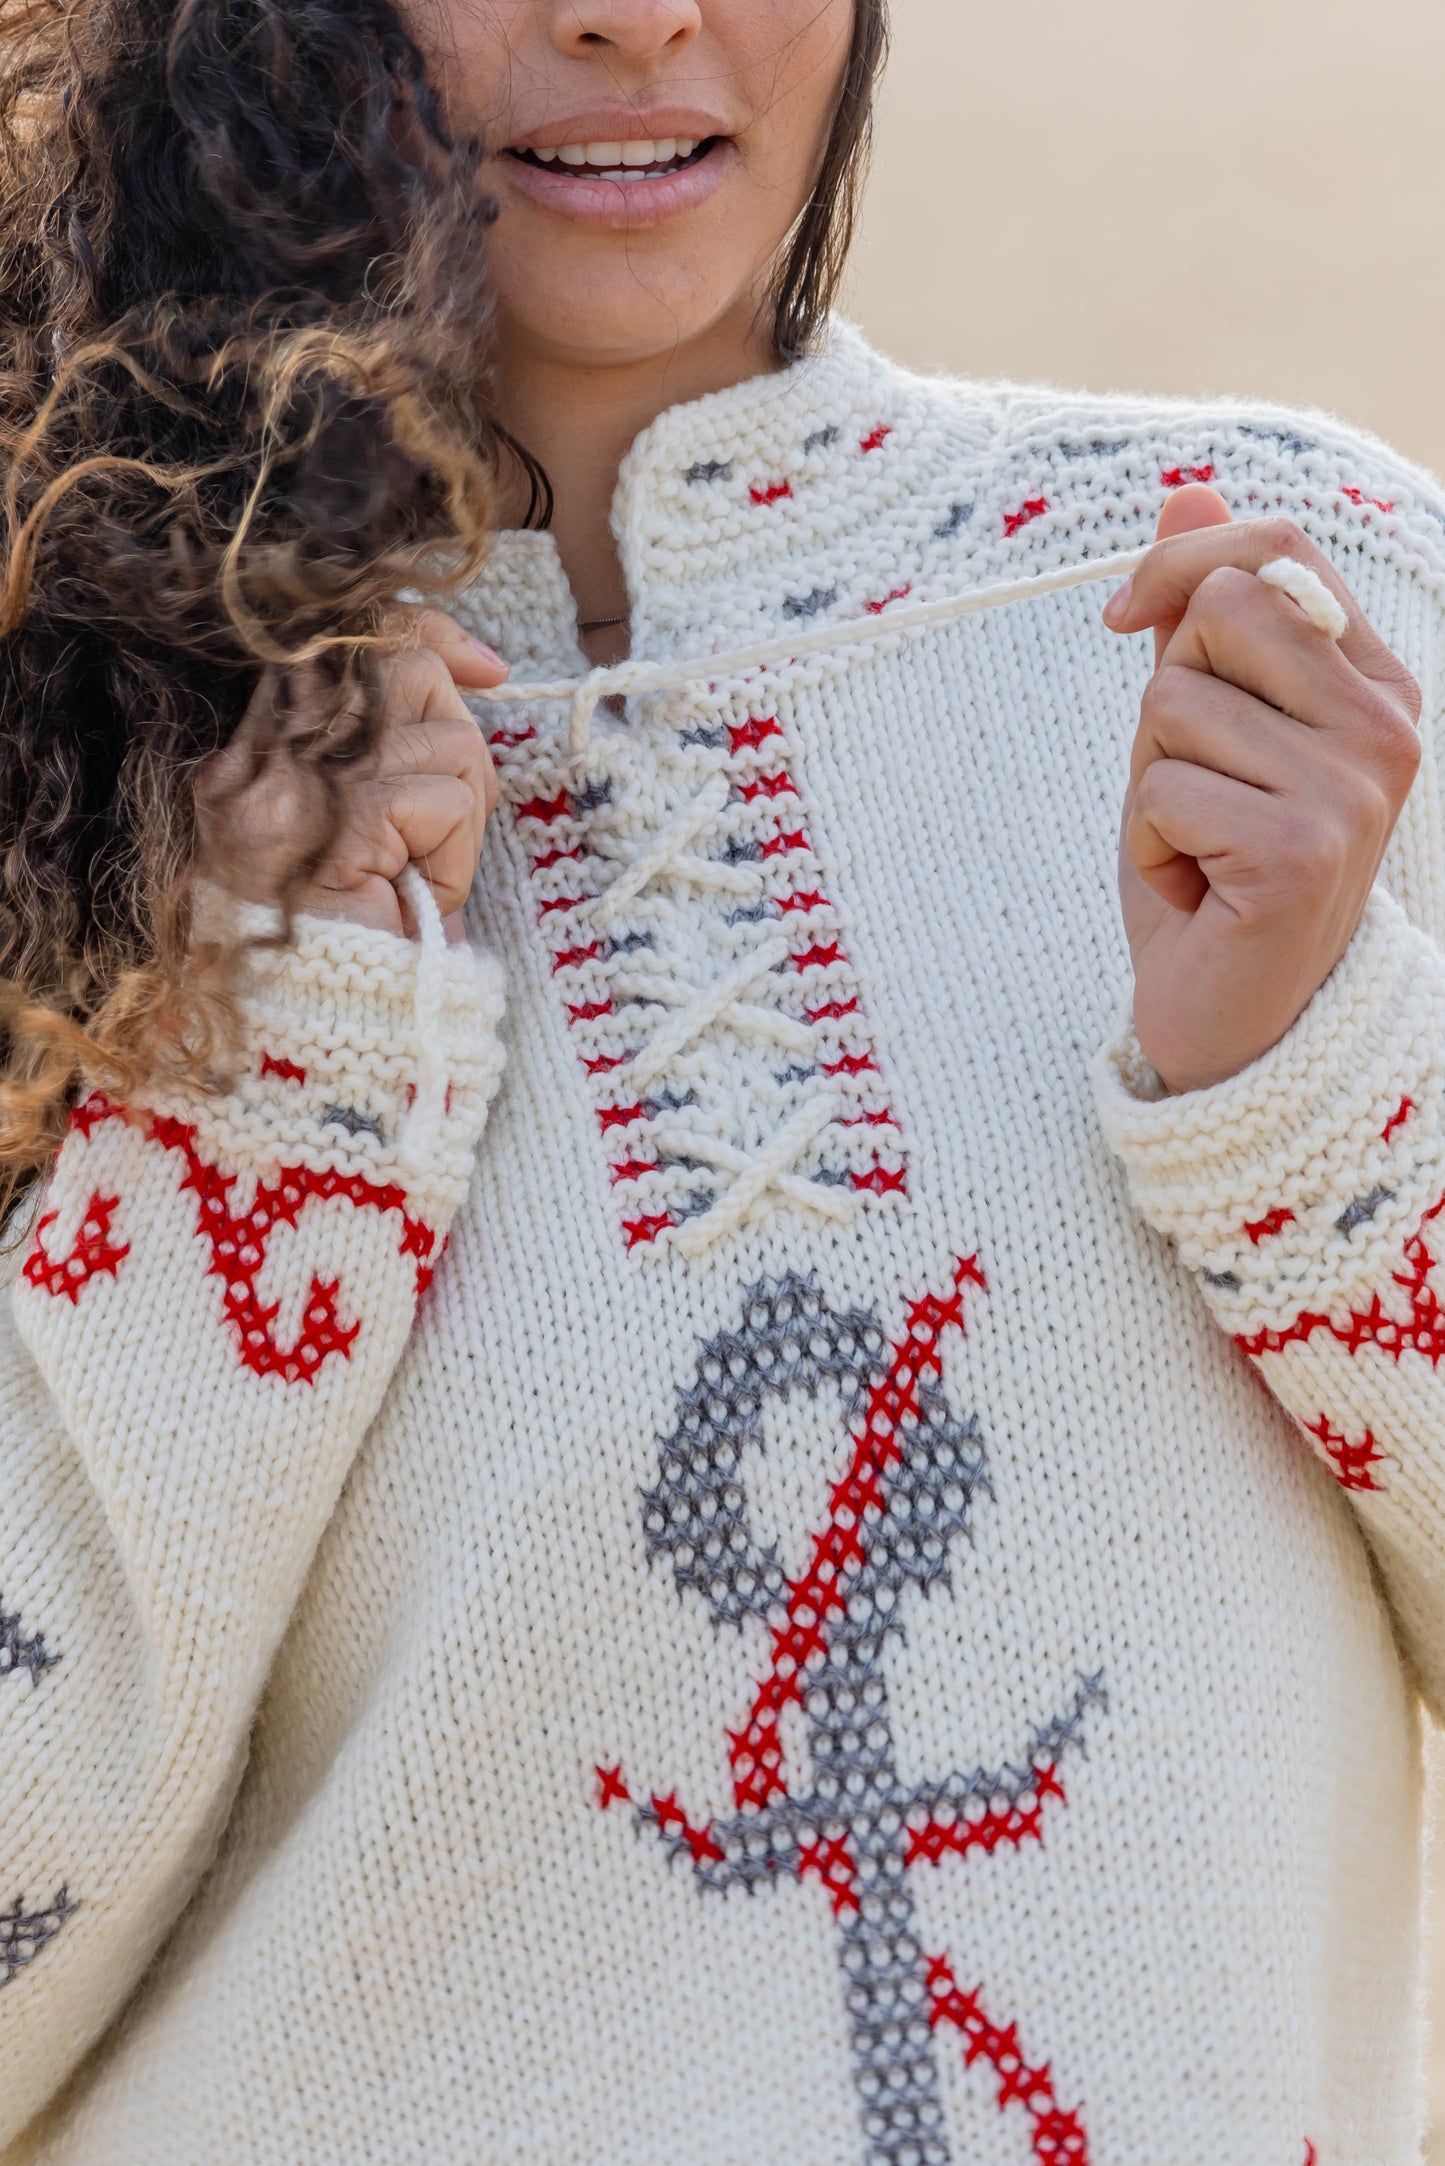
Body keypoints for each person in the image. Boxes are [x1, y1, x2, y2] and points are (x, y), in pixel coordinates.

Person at [0, 0, 1441, 2160]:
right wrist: (281, 1054)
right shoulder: (64, 765)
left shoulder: (1314, 620)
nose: (634, 16)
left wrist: (1321, 1097)